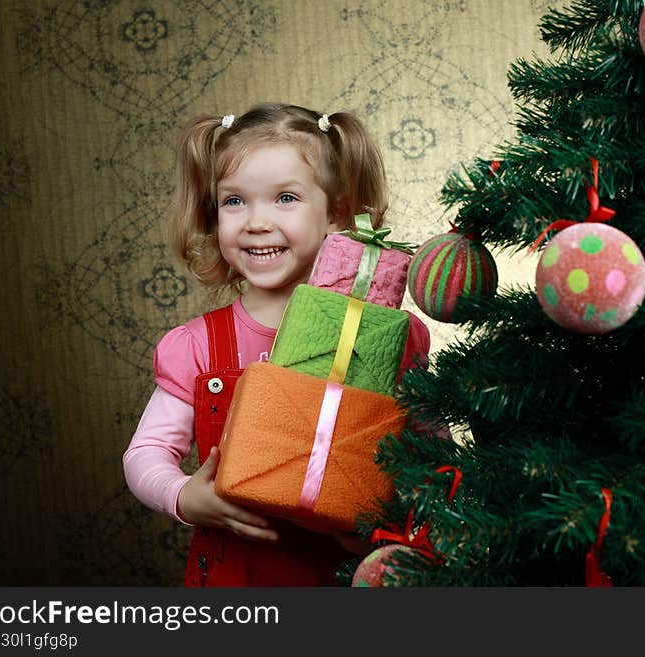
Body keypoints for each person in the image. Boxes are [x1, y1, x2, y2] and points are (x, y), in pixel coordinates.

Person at [123, 103, 430, 586]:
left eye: (285, 198)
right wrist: (184, 497)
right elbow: (145, 453)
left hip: (345, 575)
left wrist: (388, 526)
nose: (256, 222)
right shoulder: (198, 345)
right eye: (234, 201)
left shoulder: (386, 336)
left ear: (337, 211)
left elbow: (433, 457)